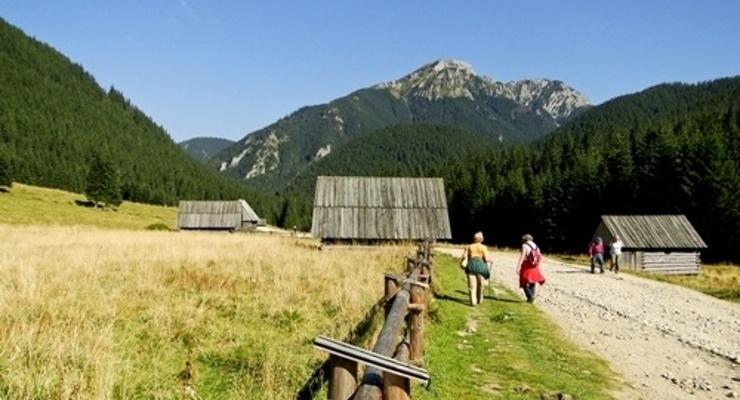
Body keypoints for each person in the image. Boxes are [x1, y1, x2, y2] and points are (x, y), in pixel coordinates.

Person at [460, 231, 490, 306]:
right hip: (480, 267)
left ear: (474, 239)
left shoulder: (469, 247)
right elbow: (486, 259)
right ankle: (479, 299)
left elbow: (464, 256)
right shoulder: (484, 247)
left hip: (471, 266)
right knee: (481, 285)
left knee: (472, 285)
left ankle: (473, 301)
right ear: (481, 239)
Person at [516, 234, 546, 303]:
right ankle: (531, 298)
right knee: (532, 281)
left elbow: (522, 257)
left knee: (523, 281)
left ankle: (530, 296)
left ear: (524, 240)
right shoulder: (536, 246)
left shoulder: (524, 246)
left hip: (527, 266)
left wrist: (518, 267)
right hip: (535, 266)